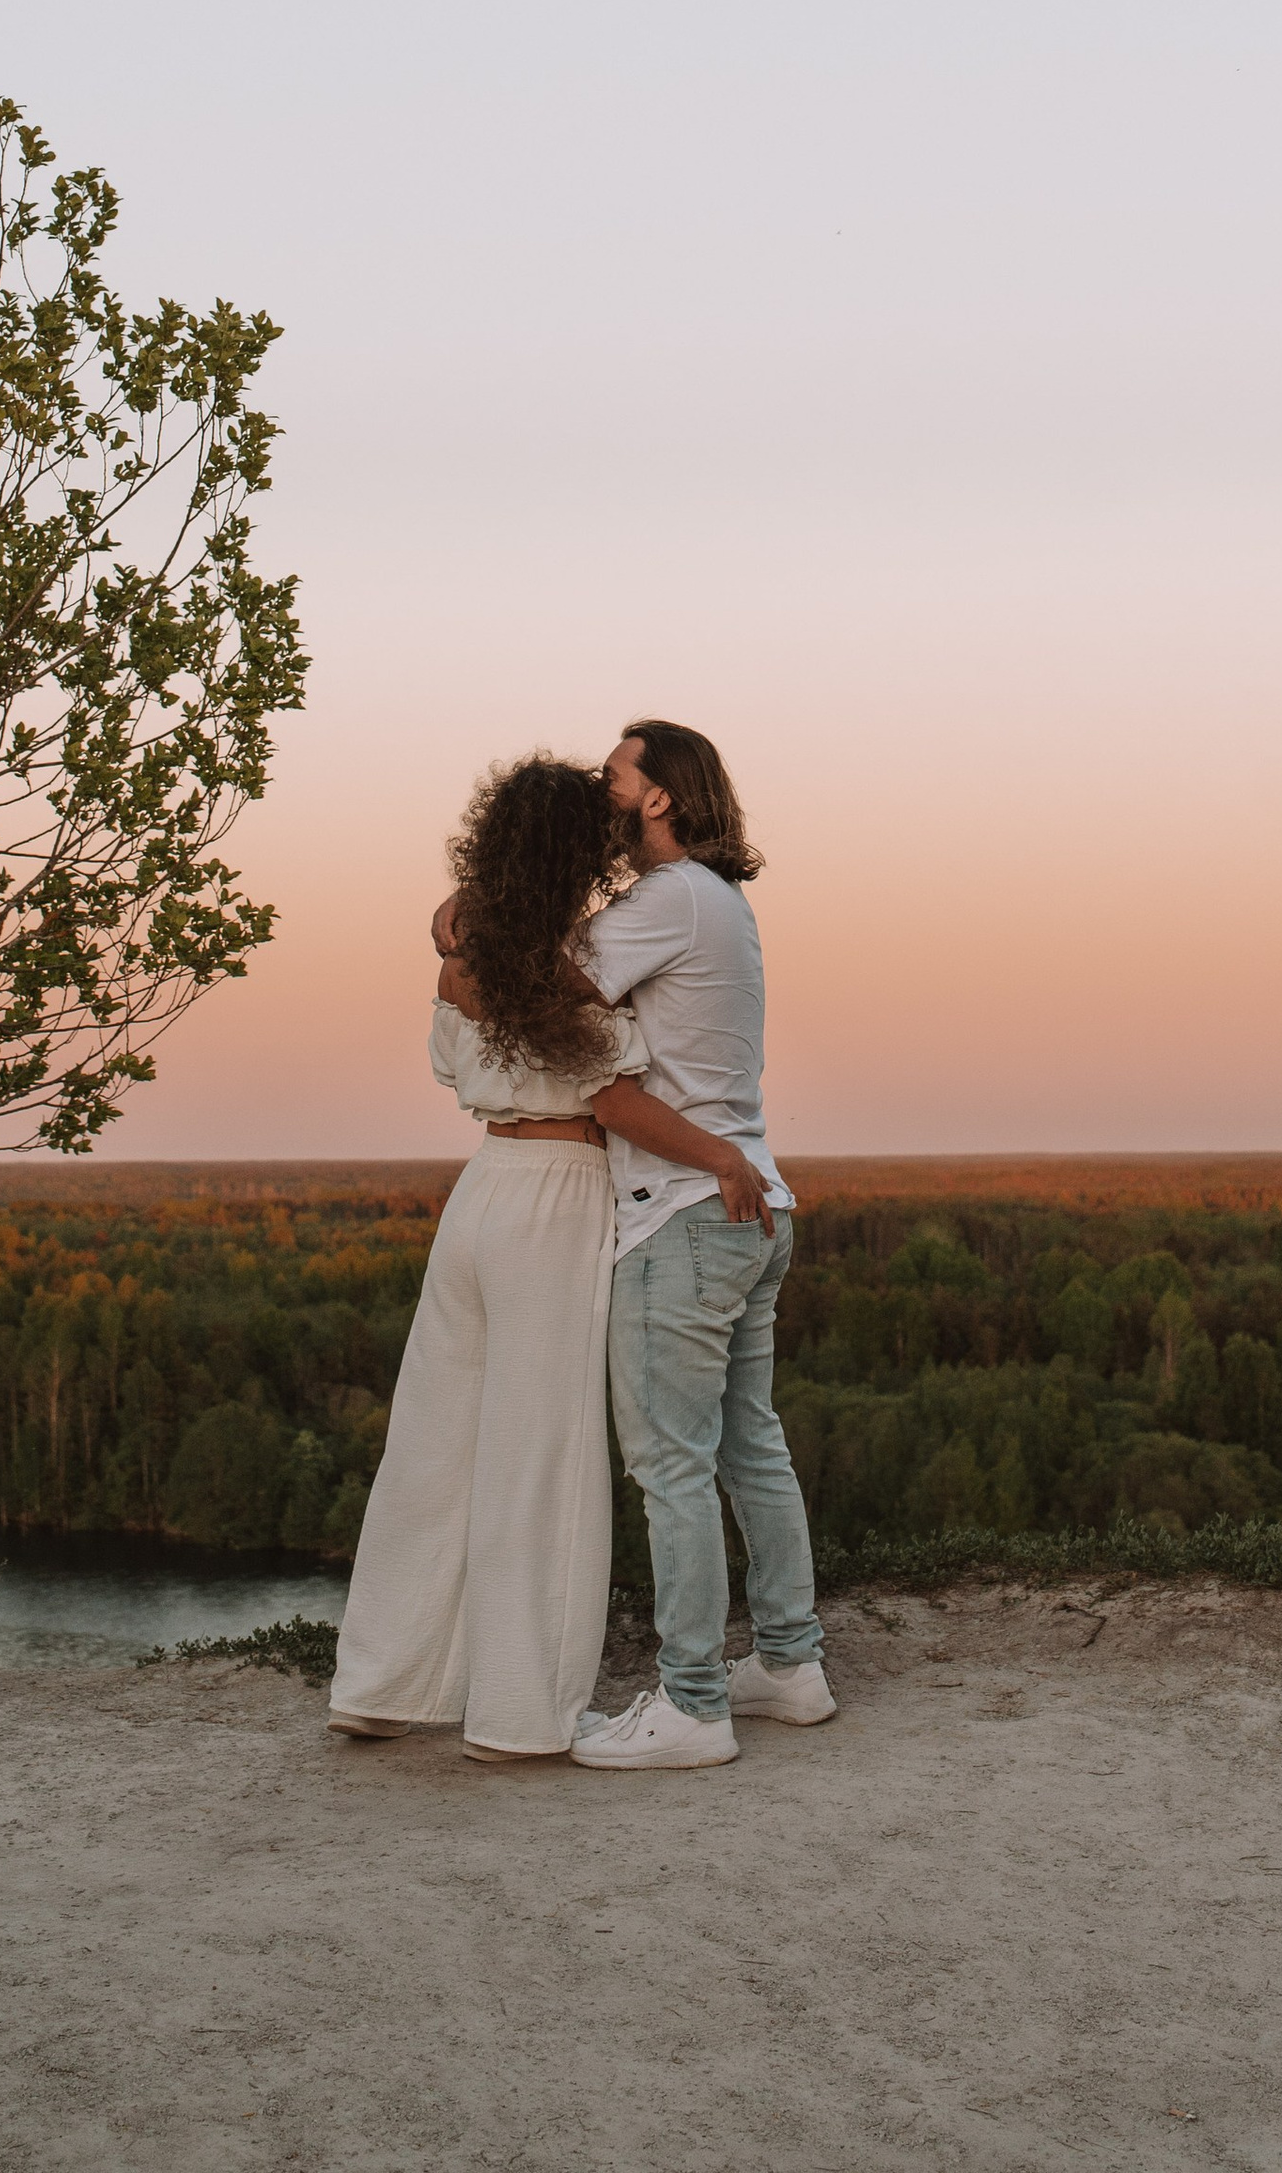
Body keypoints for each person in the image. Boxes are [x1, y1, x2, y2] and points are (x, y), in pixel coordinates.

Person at [326, 755, 760, 1761]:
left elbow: (456, 1045)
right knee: (542, 1454)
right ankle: (521, 1713)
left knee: (433, 1445)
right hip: (556, 1199)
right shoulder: (552, 966)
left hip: (479, 1190)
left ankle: (376, 1683)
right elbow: (611, 1097)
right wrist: (720, 1154)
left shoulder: (468, 959)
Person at [564, 718, 836, 1773]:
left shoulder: (669, 896)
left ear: (659, 796)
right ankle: (789, 1664)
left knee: (669, 1464)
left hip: (680, 1213)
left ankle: (690, 1704)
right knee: (746, 1445)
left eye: (614, 775)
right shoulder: (720, 901)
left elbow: (550, 988)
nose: (604, 791)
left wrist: (462, 932)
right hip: (755, 1206)